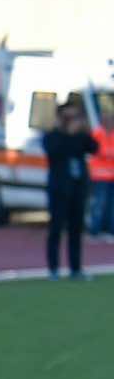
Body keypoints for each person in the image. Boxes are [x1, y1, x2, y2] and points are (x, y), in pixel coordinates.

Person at [43, 100, 97, 279]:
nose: (71, 120)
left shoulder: (80, 136)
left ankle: (75, 268)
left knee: (76, 229)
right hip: (59, 189)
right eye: (68, 116)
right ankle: (54, 268)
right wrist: (66, 133)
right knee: (56, 229)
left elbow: (93, 148)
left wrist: (84, 129)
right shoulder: (53, 136)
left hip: (77, 188)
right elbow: (55, 151)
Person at [91, 106, 114, 243]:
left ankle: (109, 231)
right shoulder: (97, 133)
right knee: (99, 204)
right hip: (100, 176)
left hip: (112, 176)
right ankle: (95, 231)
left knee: (111, 205)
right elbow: (97, 151)